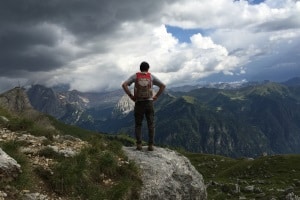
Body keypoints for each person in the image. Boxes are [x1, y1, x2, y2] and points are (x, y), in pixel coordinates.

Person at [122, 61, 166, 151]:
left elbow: (124, 85)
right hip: (149, 102)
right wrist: (156, 96)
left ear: (140, 68)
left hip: (139, 103)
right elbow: (163, 85)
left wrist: (131, 96)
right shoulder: (151, 76)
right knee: (151, 124)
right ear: (148, 68)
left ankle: (139, 145)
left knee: (138, 124)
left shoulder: (135, 76)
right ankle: (150, 145)